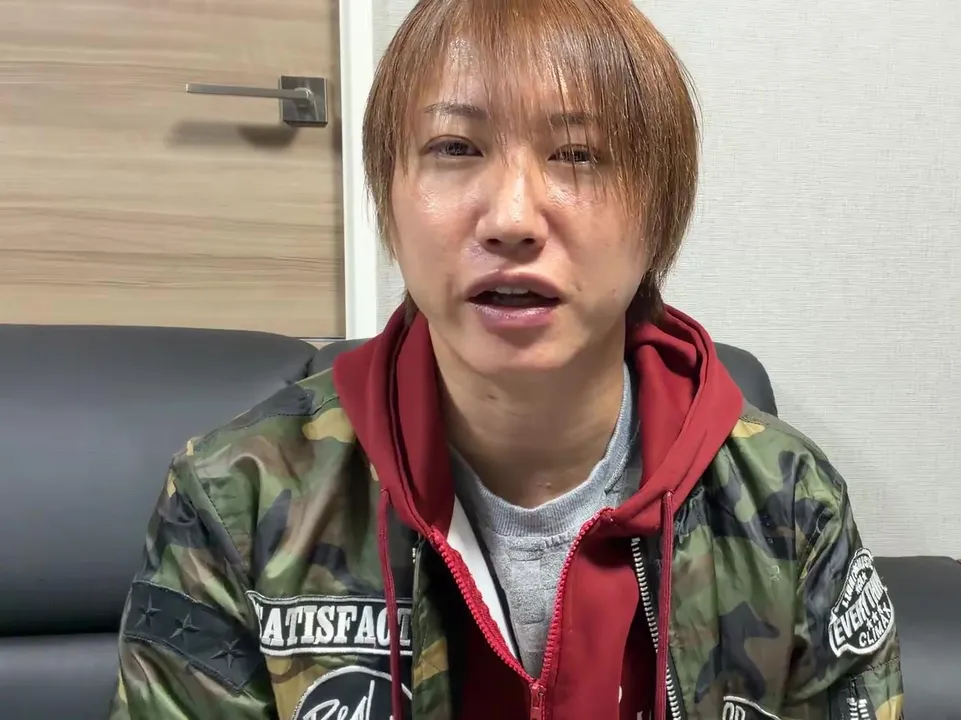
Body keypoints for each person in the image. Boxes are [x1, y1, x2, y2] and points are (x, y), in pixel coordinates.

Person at [108, 1, 905, 718]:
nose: (513, 218)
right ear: (389, 201)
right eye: (455, 146)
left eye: (579, 154)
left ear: (659, 216)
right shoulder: (236, 501)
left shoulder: (789, 504)